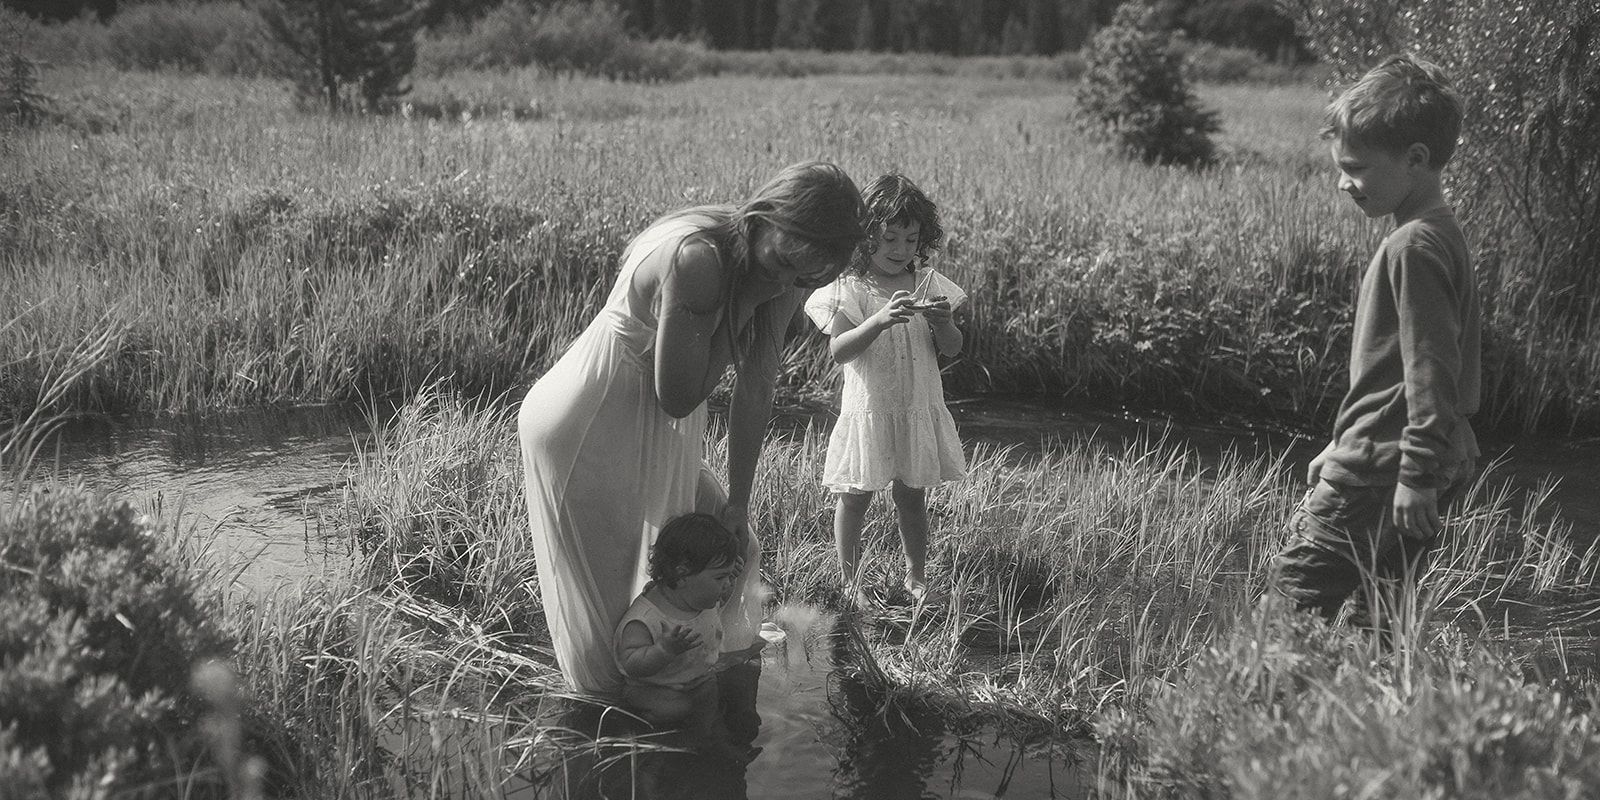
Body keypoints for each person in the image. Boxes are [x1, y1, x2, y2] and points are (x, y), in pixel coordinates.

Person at [518, 161, 867, 695]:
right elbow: (677, 397)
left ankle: (695, 688)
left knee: (735, 547)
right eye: (780, 263)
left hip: (654, 426)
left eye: (804, 276)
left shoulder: (788, 262)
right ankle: (605, 733)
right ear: (768, 215)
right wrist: (748, 300)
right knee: (609, 606)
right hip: (590, 423)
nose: (785, 281)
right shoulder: (700, 259)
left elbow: (756, 386)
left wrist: (740, 502)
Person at [1263, 55, 1480, 641]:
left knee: (1289, 613)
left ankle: (1247, 724)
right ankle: (1362, 724)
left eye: (1355, 168)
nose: (1343, 181)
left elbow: (1432, 370)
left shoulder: (1413, 246)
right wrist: (1341, 444)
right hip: (1392, 455)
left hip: (1387, 466)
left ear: (1415, 159)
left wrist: (1412, 472)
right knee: (1374, 620)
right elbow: (1394, 373)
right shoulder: (1439, 232)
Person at [803, 173, 967, 608]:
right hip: (871, 407)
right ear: (865, 237)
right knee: (854, 496)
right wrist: (876, 321)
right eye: (889, 238)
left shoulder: (928, 284)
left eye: (911, 240)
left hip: (915, 405)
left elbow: (952, 349)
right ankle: (849, 582)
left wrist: (944, 321)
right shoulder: (851, 287)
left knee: (911, 495)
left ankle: (916, 576)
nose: (900, 250)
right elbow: (839, 350)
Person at [613, 512, 760, 729]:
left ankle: (705, 738)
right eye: (720, 577)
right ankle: (642, 731)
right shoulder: (646, 618)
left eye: (728, 576)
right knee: (675, 709)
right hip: (653, 689)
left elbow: (721, 601)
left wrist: (730, 574)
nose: (727, 583)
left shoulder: (699, 598)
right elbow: (631, 664)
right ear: (682, 575)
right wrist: (662, 650)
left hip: (698, 678)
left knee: (713, 702)